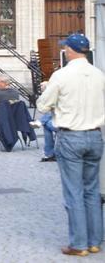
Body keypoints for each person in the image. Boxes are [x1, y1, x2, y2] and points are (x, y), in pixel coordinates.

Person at [36, 34, 105, 256]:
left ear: (71, 51)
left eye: (65, 48)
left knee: (74, 191)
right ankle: (94, 241)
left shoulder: (62, 75)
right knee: (92, 190)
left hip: (71, 136)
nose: (64, 51)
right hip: (94, 135)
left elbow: (43, 106)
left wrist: (46, 91)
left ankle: (79, 244)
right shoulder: (99, 75)